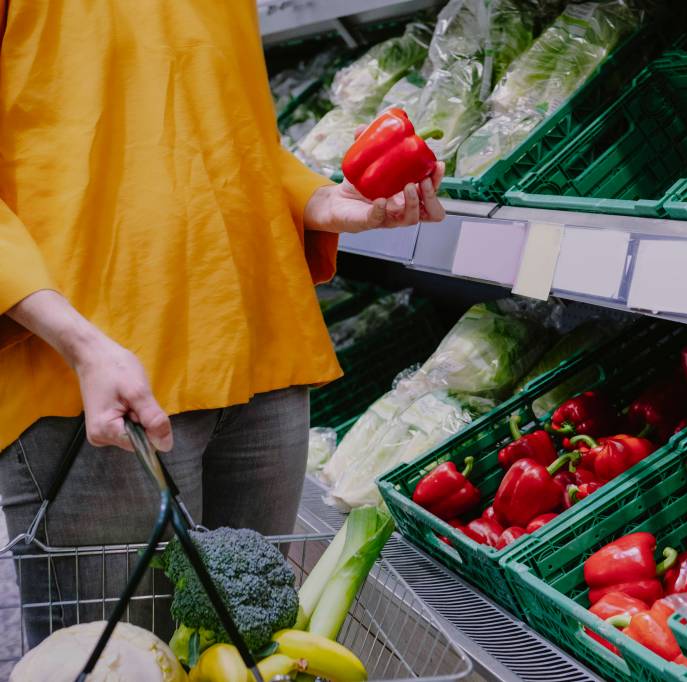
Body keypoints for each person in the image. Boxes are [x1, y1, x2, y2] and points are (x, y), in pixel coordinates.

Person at [0, 2, 444, 646]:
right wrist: (81, 341)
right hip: (96, 382)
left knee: (246, 651)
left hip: (262, 355)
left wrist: (318, 200)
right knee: (122, 657)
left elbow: (233, 134)